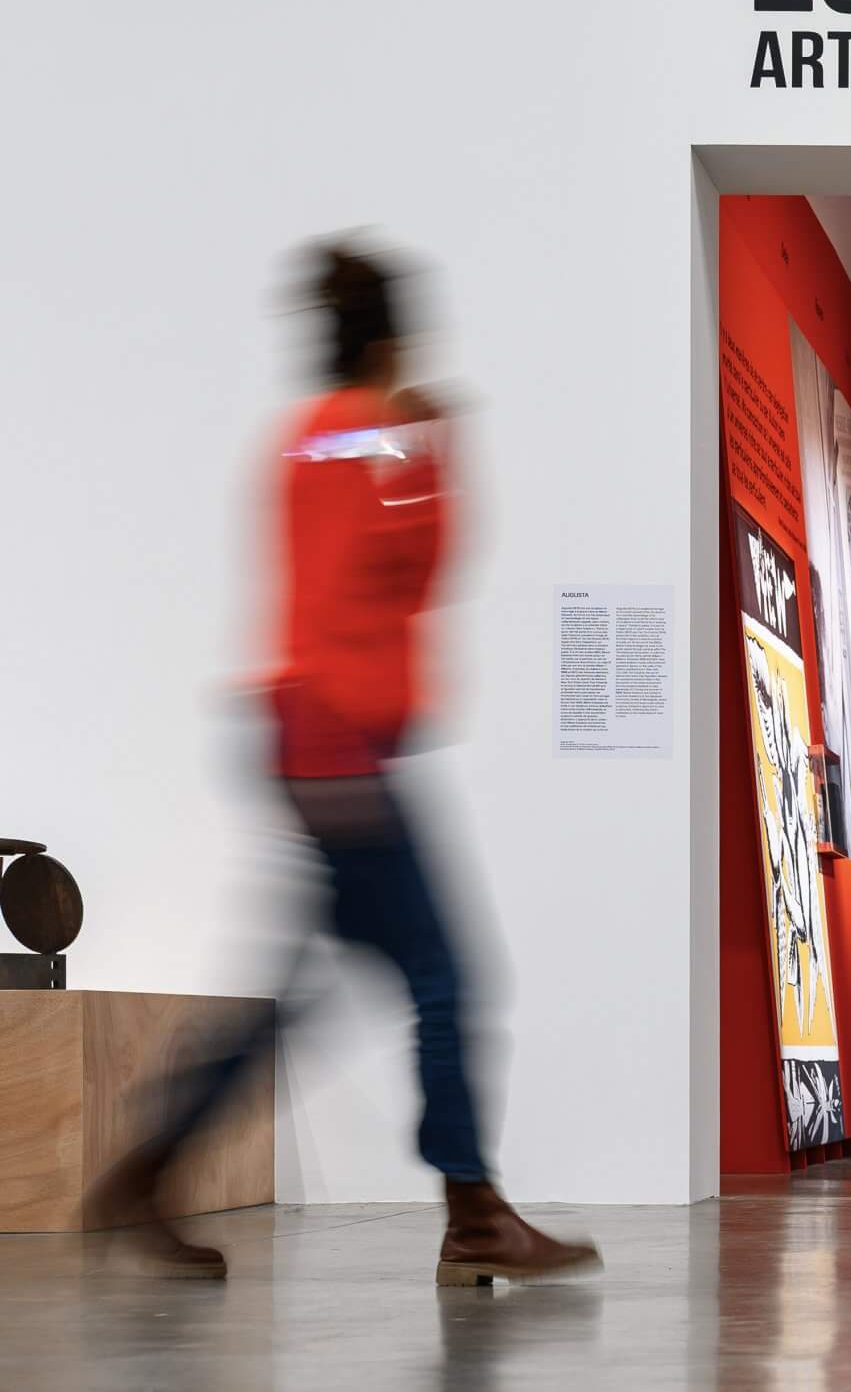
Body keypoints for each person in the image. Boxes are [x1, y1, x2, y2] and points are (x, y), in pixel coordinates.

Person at [87, 243, 600, 1285]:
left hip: (306, 736)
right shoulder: (374, 441)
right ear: (390, 340)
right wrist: (434, 438)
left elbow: (367, 575)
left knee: (310, 986)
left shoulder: (301, 440)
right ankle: (473, 1213)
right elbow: (423, 560)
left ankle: (149, 1166)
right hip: (339, 746)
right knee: (446, 979)